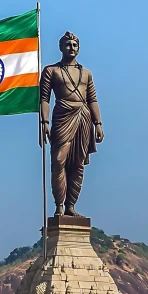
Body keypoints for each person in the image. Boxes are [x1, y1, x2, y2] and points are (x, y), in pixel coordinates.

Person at [39, 31, 104, 217]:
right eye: (68, 45)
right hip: (62, 116)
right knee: (59, 160)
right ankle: (59, 205)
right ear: (61, 47)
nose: (71, 48)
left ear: (79, 48)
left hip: (83, 117)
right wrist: (44, 121)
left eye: (75, 45)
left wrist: (98, 123)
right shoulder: (52, 71)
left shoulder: (86, 73)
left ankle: (70, 206)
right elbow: (44, 99)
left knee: (77, 163)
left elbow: (92, 99)